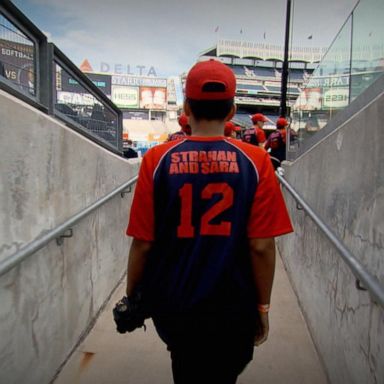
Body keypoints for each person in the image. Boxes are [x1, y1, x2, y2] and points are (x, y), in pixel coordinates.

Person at [123, 59, 293, 383]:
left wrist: (132, 296)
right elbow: (261, 246)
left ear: (186, 107)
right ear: (232, 111)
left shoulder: (157, 160)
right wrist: (263, 307)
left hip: (176, 307)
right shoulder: (255, 160)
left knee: (185, 371)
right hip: (233, 306)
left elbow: (143, 244)